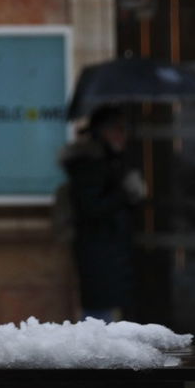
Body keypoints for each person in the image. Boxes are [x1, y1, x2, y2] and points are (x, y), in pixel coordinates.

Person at [60, 104, 145, 322]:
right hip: (98, 249)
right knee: (98, 317)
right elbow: (92, 207)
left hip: (110, 249)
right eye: (117, 129)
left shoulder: (111, 161)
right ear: (103, 131)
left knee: (106, 313)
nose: (122, 136)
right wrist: (124, 193)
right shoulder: (90, 164)